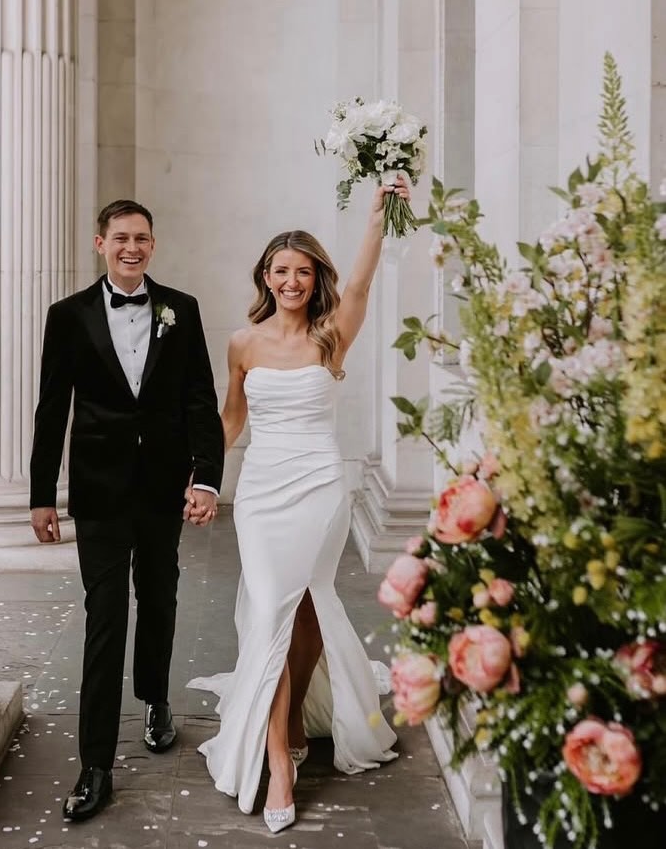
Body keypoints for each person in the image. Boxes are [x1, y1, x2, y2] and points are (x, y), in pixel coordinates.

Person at [186, 180, 408, 831]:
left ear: (316, 281)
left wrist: (376, 218)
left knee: (304, 609)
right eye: (281, 271)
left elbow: (363, 287)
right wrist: (195, 473)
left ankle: (292, 729)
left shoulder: (331, 335)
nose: (291, 281)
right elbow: (231, 423)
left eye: (303, 272)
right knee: (271, 613)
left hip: (318, 487)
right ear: (265, 276)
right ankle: (280, 755)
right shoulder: (242, 343)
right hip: (259, 491)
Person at [29, 199, 224, 823]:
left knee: (161, 597)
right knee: (105, 616)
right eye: (120, 238)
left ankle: (156, 701)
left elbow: (201, 397)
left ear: (153, 245)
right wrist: (42, 494)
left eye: (141, 238)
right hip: (100, 492)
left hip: (164, 487)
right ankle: (94, 765)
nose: (131, 248)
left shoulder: (182, 310)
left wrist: (207, 479)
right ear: (100, 243)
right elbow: (51, 407)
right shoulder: (68, 316)